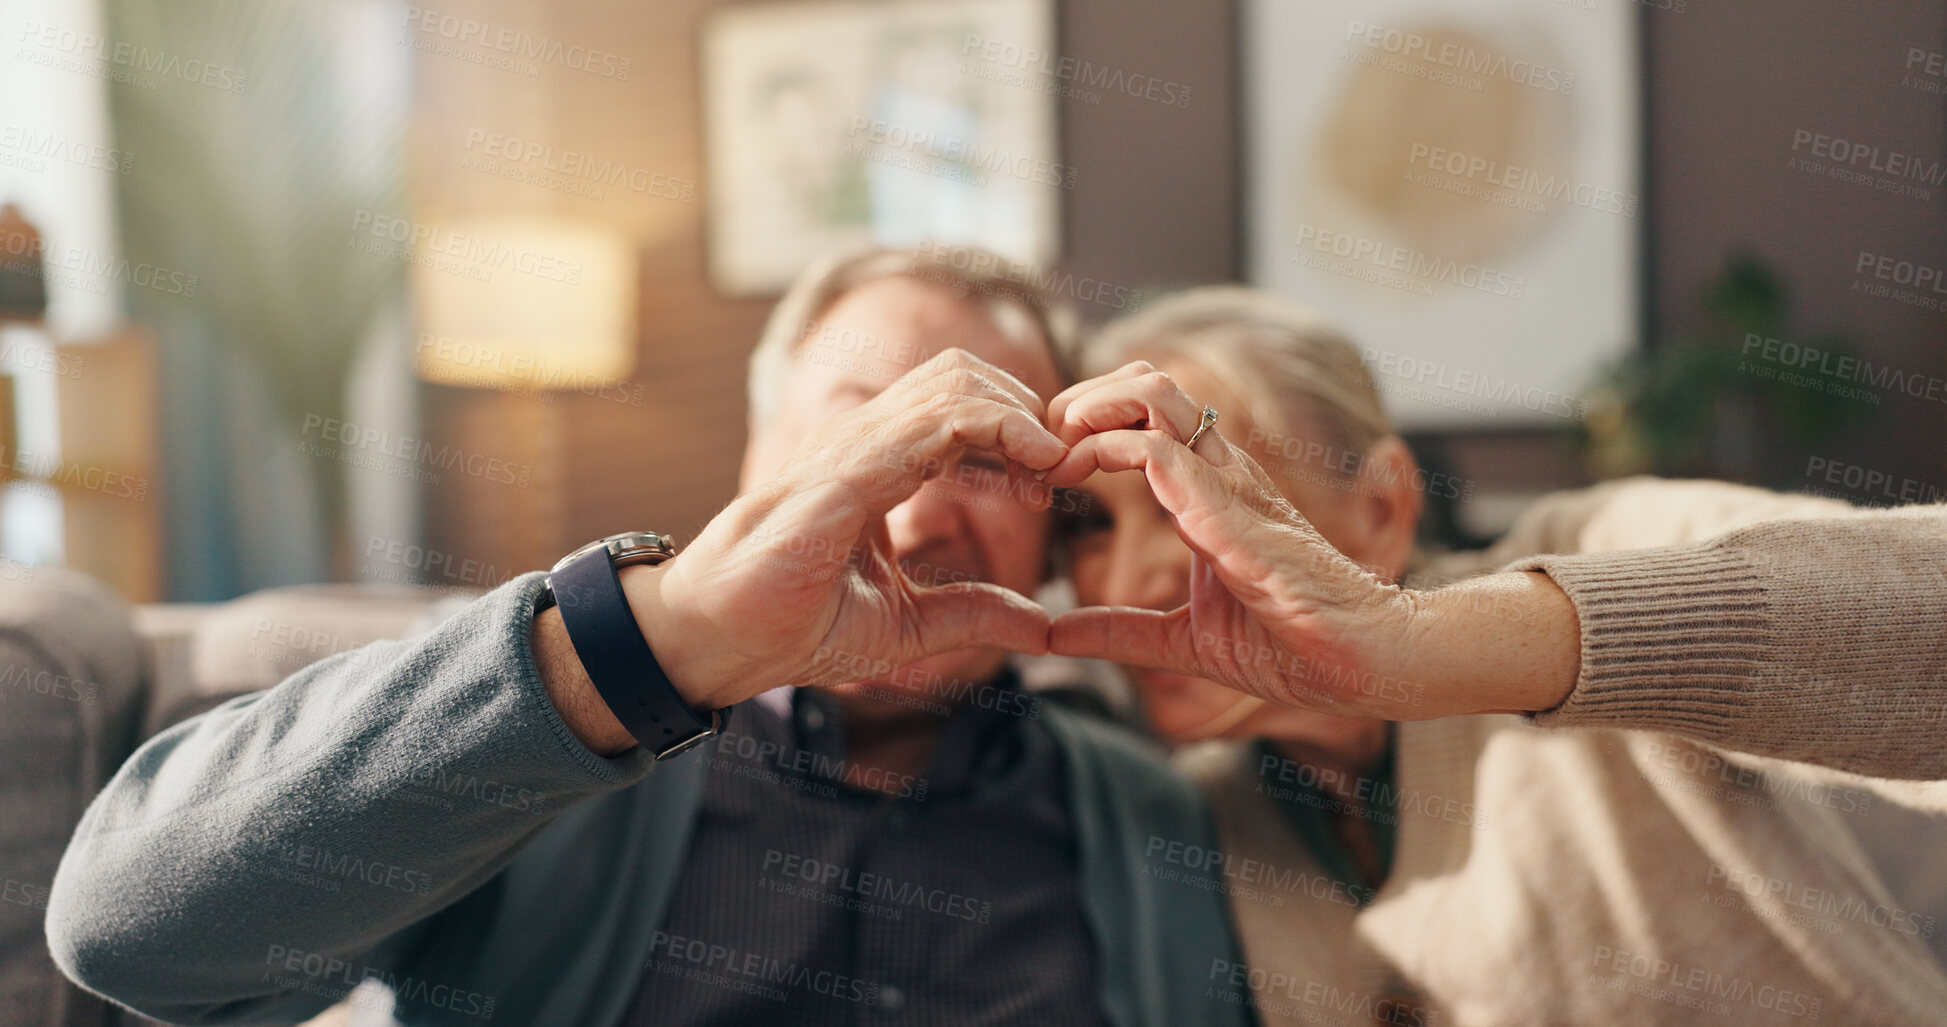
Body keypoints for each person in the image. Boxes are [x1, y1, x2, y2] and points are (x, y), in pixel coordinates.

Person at [47, 248, 1248, 1027]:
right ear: (761, 464)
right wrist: (651, 645)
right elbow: (128, 934)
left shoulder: (1156, 818)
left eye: (991, 456)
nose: (928, 507)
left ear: (1054, 513)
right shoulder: (539, 748)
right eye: (876, 436)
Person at [1047, 285, 1947, 1024]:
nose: (1131, 573)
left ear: (1384, 509)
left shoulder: (1601, 541)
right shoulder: (1187, 810)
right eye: (1090, 523)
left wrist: (1425, 643)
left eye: (1198, 493)